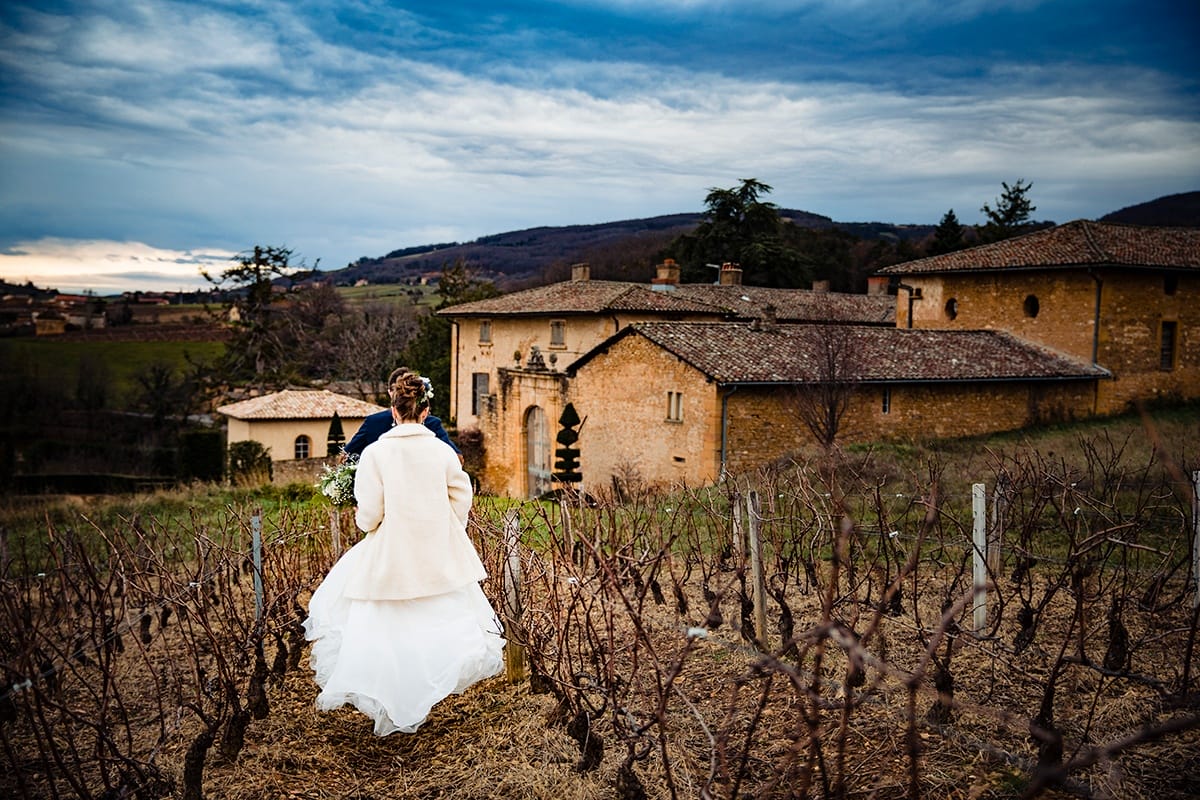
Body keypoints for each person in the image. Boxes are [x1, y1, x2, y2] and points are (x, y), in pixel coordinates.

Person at [304, 372, 504, 735]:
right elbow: (462, 496)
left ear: (394, 412)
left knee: (388, 632)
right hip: (437, 555)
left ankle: (397, 702)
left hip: (391, 557)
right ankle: (422, 696)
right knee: (435, 626)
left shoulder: (377, 454)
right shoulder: (443, 452)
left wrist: (373, 521)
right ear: (425, 412)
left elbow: (369, 517)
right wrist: (448, 529)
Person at [343, 367, 462, 462]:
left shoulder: (373, 423)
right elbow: (457, 459)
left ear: (390, 393)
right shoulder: (432, 423)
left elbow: (345, 457)